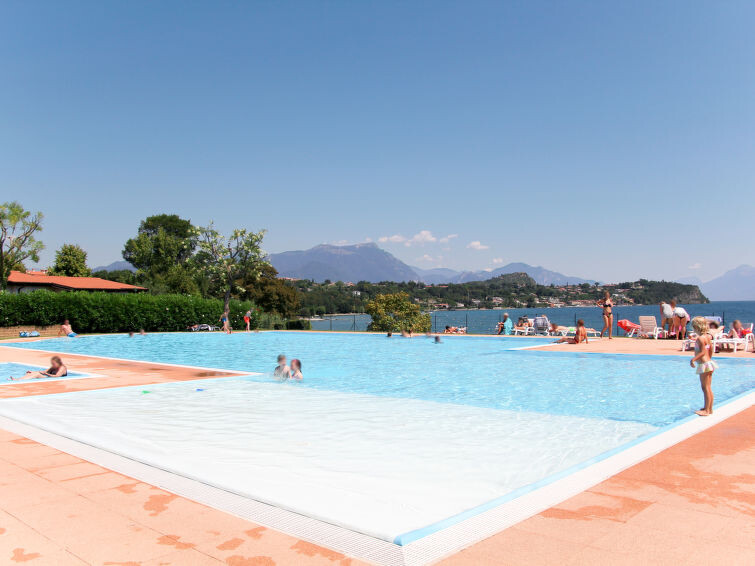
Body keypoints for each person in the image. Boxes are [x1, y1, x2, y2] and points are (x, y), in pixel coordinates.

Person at [689, 317, 718, 416]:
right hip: (709, 363)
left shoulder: (700, 338)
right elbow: (711, 349)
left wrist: (693, 359)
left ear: (697, 327)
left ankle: (706, 411)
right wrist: (709, 359)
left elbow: (702, 352)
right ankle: (709, 408)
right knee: (708, 387)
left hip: (704, 365)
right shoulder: (707, 337)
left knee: (705, 388)